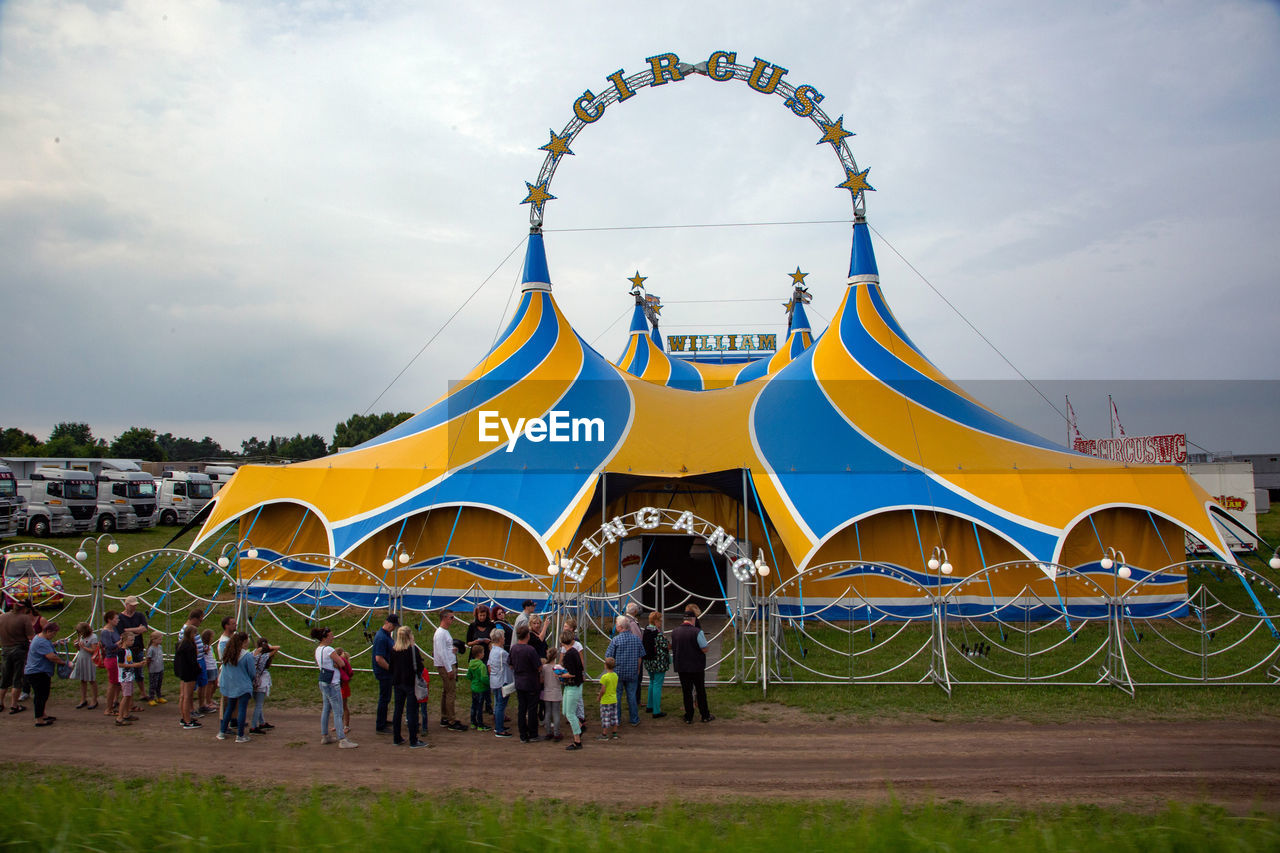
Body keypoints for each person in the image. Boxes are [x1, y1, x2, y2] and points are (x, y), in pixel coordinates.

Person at [311, 626, 357, 748]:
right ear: (325, 637)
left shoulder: (318, 649)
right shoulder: (329, 649)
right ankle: (342, 739)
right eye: (331, 636)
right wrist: (336, 663)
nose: (333, 637)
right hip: (333, 682)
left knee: (326, 709)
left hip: (323, 681)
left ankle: (325, 735)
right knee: (338, 711)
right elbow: (342, 663)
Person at [670, 609, 713, 724]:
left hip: (682, 666)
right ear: (693, 619)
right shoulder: (697, 632)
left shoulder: (675, 632)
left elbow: (673, 647)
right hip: (696, 666)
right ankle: (705, 715)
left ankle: (688, 716)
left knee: (686, 691)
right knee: (700, 690)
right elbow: (704, 648)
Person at [389, 625, 428, 748]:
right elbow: (420, 667)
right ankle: (413, 739)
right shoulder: (412, 650)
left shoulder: (394, 650)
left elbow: (391, 667)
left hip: (398, 683)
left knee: (398, 711)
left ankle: (396, 737)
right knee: (412, 712)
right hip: (411, 683)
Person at [604, 614, 645, 727]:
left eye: (617, 625)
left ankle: (617, 719)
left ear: (620, 627)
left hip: (618, 673)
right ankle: (634, 719)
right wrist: (638, 669)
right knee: (631, 696)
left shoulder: (615, 640)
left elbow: (608, 656)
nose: (616, 627)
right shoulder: (636, 639)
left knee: (617, 695)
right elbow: (640, 656)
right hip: (632, 672)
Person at [216, 632, 256, 743]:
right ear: (244, 642)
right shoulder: (247, 656)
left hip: (230, 686)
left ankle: (222, 732)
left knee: (229, 708)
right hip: (243, 686)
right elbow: (252, 672)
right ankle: (240, 735)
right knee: (242, 709)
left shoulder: (228, 654)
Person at [24, 620, 65, 726]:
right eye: (53, 633)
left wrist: (55, 644)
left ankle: (42, 714)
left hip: (38, 672)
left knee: (43, 694)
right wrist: (63, 662)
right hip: (37, 672)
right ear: (48, 631)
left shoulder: (40, 638)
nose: (53, 636)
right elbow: (51, 656)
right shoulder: (41, 641)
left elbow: (47, 646)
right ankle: (39, 719)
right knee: (40, 695)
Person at [432, 611, 466, 731]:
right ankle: (451, 720)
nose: (453, 620)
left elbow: (444, 649)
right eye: (451, 617)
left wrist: (452, 649)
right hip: (446, 666)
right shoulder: (441, 633)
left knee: (446, 692)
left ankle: (445, 717)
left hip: (447, 664)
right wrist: (449, 669)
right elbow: (440, 652)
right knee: (451, 693)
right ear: (445, 618)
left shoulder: (443, 632)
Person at [509, 623, 542, 743]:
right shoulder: (530, 650)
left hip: (519, 682)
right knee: (532, 709)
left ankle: (523, 734)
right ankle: (533, 734)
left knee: (522, 709)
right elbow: (538, 667)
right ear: (527, 636)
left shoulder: (514, 649)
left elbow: (510, 664)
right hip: (531, 683)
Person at [0, 602, 35, 714]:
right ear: (24, 609)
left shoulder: (2, 616)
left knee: (5, 678)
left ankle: (0, 703)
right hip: (19, 650)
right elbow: (30, 637)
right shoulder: (24, 619)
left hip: (5, 649)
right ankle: (14, 705)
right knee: (17, 678)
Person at [371, 612, 398, 735]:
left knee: (385, 698)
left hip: (385, 672)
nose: (393, 628)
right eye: (392, 625)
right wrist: (390, 669)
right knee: (384, 698)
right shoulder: (382, 637)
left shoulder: (385, 635)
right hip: (384, 673)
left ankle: (382, 721)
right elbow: (379, 658)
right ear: (386, 623)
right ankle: (380, 725)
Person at [559, 629, 585, 750]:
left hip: (572, 686)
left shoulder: (569, 655)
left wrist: (560, 675)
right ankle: (579, 727)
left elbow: (572, 673)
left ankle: (577, 741)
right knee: (566, 711)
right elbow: (579, 668)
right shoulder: (574, 651)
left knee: (569, 713)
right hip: (575, 685)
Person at [643, 611, 670, 718]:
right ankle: (656, 710)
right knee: (657, 684)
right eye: (660, 621)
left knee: (652, 682)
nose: (661, 623)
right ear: (655, 621)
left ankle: (649, 705)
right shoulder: (657, 634)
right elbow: (666, 646)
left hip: (648, 661)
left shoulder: (646, 630)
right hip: (658, 662)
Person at [173, 626, 202, 728]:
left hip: (182, 673)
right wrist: (198, 670)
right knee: (187, 696)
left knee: (183, 696)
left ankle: (184, 717)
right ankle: (188, 721)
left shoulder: (180, 644)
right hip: (190, 673)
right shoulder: (190, 646)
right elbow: (193, 661)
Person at [487, 628, 513, 738]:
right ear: (500, 639)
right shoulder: (502, 653)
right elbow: (511, 663)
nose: (505, 639)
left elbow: (489, 665)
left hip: (494, 680)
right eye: (503, 637)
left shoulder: (492, 650)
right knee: (500, 705)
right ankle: (499, 729)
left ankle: (499, 725)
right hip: (502, 680)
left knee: (498, 704)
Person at [250, 637, 279, 734]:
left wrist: (260, 648)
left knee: (258, 704)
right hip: (261, 682)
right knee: (259, 705)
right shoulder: (265, 656)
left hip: (252, 680)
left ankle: (262, 723)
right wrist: (267, 648)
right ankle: (253, 727)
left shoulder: (253, 653)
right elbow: (277, 648)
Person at [116, 596, 150, 677]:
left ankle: (142, 689)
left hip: (138, 648)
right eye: (132, 605)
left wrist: (128, 630)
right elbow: (122, 633)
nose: (134, 607)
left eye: (135, 605)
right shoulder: (120, 617)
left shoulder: (140, 615)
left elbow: (144, 629)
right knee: (126, 673)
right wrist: (137, 629)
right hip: (126, 650)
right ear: (126, 605)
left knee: (139, 675)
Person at [564, 616, 588, 732]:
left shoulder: (576, 644)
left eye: (566, 626)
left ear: (572, 629)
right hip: (569, 676)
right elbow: (561, 658)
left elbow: (581, 660)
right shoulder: (565, 644)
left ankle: (580, 719)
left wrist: (582, 672)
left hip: (574, 677)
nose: (564, 628)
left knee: (578, 699)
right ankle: (574, 718)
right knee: (569, 702)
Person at [115, 639, 145, 726]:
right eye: (131, 640)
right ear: (125, 640)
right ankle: (119, 718)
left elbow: (129, 662)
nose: (132, 642)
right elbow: (120, 664)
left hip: (130, 676)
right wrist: (134, 665)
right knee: (125, 696)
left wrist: (138, 664)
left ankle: (126, 714)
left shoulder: (128, 650)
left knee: (129, 696)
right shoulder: (121, 651)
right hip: (125, 677)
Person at [70, 622, 99, 709]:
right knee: (82, 680)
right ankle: (83, 699)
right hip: (81, 659)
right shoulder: (81, 636)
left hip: (89, 660)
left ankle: (94, 700)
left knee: (91, 680)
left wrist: (83, 647)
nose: (80, 633)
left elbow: (94, 651)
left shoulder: (93, 637)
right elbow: (80, 649)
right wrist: (77, 646)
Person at [98, 611, 122, 717]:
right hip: (111, 658)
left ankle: (114, 702)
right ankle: (108, 708)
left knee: (117, 683)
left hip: (116, 657)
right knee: (112, 684)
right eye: (116, 619)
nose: (118, 620)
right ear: (109, 620)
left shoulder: (114, 629)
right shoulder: (106, 632)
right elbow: (108, 646)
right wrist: (120, 642)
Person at [540, 646, 563, 741]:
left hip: (547, 692)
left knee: (548, 713)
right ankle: (557, 733)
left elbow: (541, 679)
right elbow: (561, 680)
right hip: (556, 693)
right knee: (556, 713)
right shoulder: (558, 668)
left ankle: (548, 732)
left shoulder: (544, 667)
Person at [466, 645, 490, 731]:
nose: (484, 654)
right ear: (480, 654)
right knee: (480, 707)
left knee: (474, 706)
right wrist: (488, 684)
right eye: (483, 652)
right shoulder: (482, 665)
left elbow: (468, 675)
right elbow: (484, 678)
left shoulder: (471, 664)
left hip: (474, 687)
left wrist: (473, 680)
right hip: (481, 688)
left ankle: (473, 723)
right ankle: (480, 724)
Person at [597, 656, 619, 740]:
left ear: (605, 666)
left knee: (606, 717)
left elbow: (603, 690)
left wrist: (599, 697)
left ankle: (604, 734)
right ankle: (614, 733)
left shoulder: (604, 677)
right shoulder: (615, 676)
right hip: (614, 698)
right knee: (614, 716)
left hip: (606, 700)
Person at [333, 647, 354, 737]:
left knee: (343, 706)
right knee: (339, 707)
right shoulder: (343, 663)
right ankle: (339, 724)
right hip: (341, 686)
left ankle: (346, 726)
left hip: (343, 686)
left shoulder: (341, 664)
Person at [199, 628, 217, 713]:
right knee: (209, 685)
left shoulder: (209, 646)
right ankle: (208, 701)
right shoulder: (204, 646)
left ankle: (209, 699)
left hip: (213, 666)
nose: (212, 638)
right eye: (211, 637)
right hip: (208, 667)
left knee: (214, 684)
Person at [145, 631, 166, 705]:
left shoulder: (160, 647)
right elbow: (148, 659)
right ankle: (151, 698)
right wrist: (149, 668)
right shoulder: (151, 649)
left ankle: (159, 696)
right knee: (153, 684)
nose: (161, 641)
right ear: (153, 639)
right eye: (159, 639)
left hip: (160, 668)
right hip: (153, 670)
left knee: (159, 684)